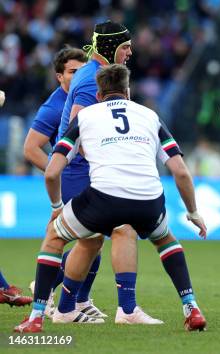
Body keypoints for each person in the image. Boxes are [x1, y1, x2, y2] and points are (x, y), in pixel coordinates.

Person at [14, 64, 208, 333]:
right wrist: (193, 212)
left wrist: (57, 207)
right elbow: (181, 172)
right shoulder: (149, 115)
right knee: (165, 240)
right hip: (149, 199)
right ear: (127, 92)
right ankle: (192, 308)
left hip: (103, 198)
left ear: (97, 95)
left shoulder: (85, 116)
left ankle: (36, 316)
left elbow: (52, 172)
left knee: (54, 237)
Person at [23, 46, 105, 319]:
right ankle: (45, 291)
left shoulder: (88, 95)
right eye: (72, 72)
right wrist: (56, 170)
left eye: (82, 71)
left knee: (96, 239)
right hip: (72, 176)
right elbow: (31, 148)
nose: (78, 76)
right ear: (59, 76)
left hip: (89, 174)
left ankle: (80, 301)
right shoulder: (55, 106)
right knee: (90, 239)